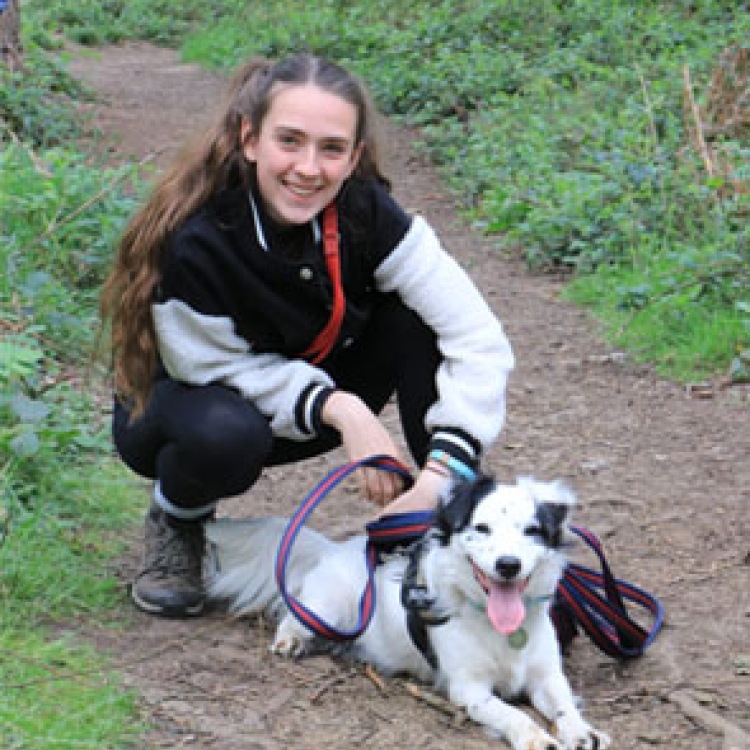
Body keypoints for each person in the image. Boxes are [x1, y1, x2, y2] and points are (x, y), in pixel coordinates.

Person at [100, 52, 514, 618]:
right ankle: (180, 521)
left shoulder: (370, 215)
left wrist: (446, 470)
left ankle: (448, 516)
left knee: (415, 319)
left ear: (354, 158)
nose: (308, 168)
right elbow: (211, 370)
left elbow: (477, 336)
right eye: (289, 141)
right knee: (225, 434)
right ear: (250, 140)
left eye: (331, 149)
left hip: (305, 402)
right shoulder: (196, 239)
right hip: (183, 411)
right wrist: (346, 411)